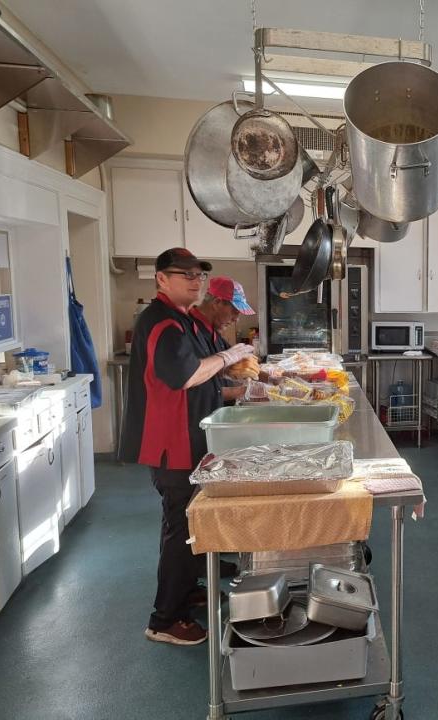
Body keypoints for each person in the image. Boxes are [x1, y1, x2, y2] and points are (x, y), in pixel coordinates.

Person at [119, 248, 255, 646]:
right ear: (161, 278)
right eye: (185, 275)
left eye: (198, 275)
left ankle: (185, 588)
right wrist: (231, 354)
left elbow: (206, 382)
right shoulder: (162, 323)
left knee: (189, 522)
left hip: (188, 437)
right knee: (180, 527)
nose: (194, 281)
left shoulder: (179, 320)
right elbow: (188, 377)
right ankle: (164, 619)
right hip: (171, 442)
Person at [190, 276, 256, 405]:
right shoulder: (189, 331)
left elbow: (235, 365)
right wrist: (243, 391)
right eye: (235, 311)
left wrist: (272, 379)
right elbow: (195, 389)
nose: (237, 319)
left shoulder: (213, 329)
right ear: (217, 303)